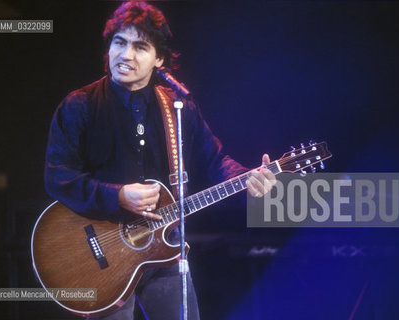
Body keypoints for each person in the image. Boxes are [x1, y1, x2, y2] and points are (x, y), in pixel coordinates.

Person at [44, 1, 275, 319]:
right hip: (103, 255)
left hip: (164, 250)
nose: (126, 55)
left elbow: (214, 160)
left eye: (140, 46)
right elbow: (58, 176)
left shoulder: (178, 108)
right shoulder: (79, 106)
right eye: (119, 42)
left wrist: (248, 176)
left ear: (160, 59)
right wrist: (118, 195)